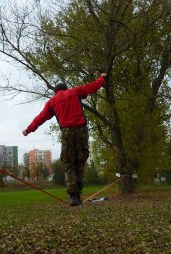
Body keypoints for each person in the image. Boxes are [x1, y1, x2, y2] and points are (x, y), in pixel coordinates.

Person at [22, 73, 107, 206]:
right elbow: (92, 87)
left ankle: (73, 196)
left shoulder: (52, 101)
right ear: (66, 88)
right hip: (82, 131)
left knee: (69, 163)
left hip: (67, 132)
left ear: (56, 91)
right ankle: (78, 193)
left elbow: (41, 117)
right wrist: (102, 78)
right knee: (80, 161)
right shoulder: (74, 92)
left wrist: (28, 130)